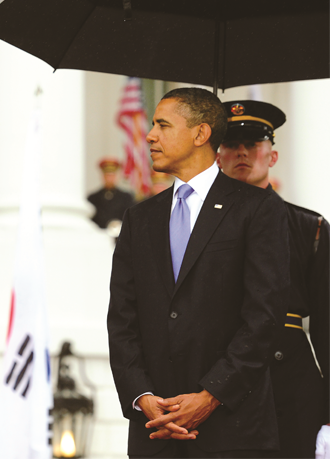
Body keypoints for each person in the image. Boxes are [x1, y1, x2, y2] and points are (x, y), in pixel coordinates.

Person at [107, 87, 290, 456]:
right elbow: (122, 319)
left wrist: (210, 396)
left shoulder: (258, 209)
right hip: (156, 432)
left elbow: (264, 316)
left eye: (163, 125)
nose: (150, 135)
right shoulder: (139, 218)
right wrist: (142, 397)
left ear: (200, 134)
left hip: (233, 433)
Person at [216, 100, 330, 459]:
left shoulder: (308, 228)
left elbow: (327, 326)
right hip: (218, 383)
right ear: (217, 156)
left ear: (272, 156)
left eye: (253, 144)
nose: (242, 153)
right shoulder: (193, 229)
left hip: (289, 387)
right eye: (232, 144)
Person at [87, 158, 135, 228]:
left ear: (116, 176)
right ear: (102, 176)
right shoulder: (93, 198)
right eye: (107, 175)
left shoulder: (126, 197)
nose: (109, 178)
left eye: (112, 175)